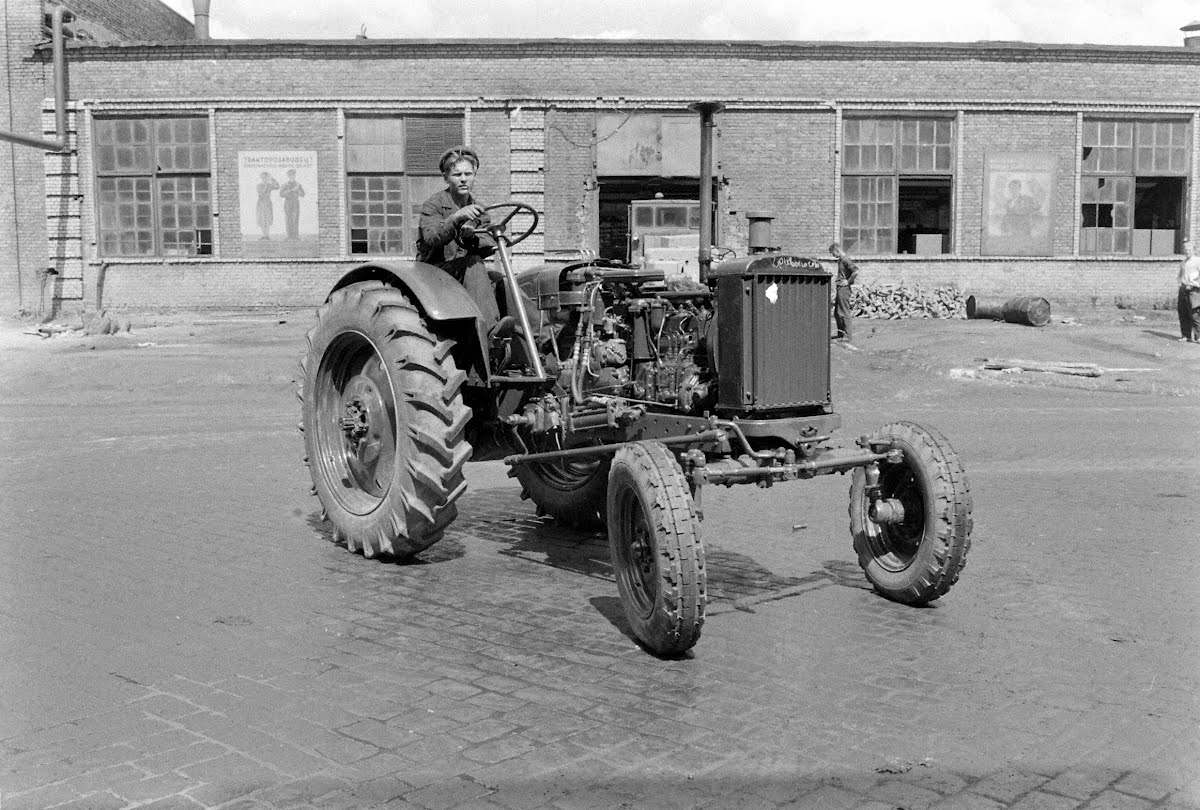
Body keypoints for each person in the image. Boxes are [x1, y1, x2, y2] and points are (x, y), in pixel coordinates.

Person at [417, 145, 513, 340]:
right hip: (434, 274)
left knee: (504, 281)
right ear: (446, 177)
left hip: (465, 272)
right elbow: (431, 237)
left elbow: (486, 242)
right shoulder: (433, 205)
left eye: (468, 174)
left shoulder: (479, 210)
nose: (463, 179)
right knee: (474, 264)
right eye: (457, 174)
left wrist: (472, 238)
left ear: (474, 176)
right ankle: (491, 333)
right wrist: (455, 218)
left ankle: (540, 337)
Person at [829, 242, 859, 344]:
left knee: (844, 312)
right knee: (837, 312)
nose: (833, 255)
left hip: (844, 289)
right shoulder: (841, 260)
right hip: (840, 287)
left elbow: (856, 271)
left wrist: (848, 281)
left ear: (837, 250)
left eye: (833, 253)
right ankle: (841, 334)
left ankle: (847, 336)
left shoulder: (846, 260)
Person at [1177, 238, 1200, 343]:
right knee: (1183, 313)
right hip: (1183, 289)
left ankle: (1198, 336)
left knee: (1195, 314)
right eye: (1185, 249)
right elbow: (1180, 276)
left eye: (1189, 249)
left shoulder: (1198, 261)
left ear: (1193, 249)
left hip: (1194, 290)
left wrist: (1193, 285)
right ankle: (1186, 335)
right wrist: (1180, 284)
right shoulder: (1183, 263)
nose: (1187, 251)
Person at [279, 169, 305, 240]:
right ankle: (289, 236)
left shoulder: (298, 185)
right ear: (288, 176)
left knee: (295, 218)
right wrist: (290, 191)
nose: (292, 176)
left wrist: (298, 191)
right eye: (290, 175)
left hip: (295, 202)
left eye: (293, 175)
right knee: (288, 219)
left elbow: (303, 194)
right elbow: (281, 194)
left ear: (295, 175)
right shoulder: (285, 185)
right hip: (288, 203)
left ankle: (295, 236)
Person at [255, 172, 279, 240]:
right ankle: (263, 235)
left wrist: (272, 179)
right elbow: (261, 194)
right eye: (263, 177)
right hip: (261, 203)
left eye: (266, 177)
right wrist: (266, 187)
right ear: (261, 178)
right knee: (262, 219)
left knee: (268, 218)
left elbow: (277, 186)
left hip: (268, 203)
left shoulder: (269, 185)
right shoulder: (259, 185)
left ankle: (267, 235)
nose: (264, 179)